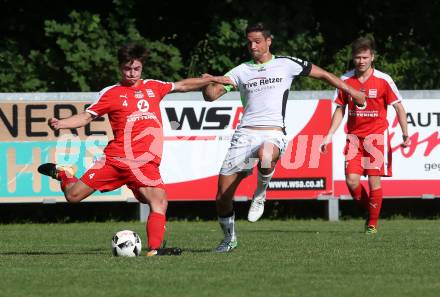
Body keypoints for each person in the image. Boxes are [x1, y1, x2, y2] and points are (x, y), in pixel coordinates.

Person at [37, 43, 233, 256]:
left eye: (136, 69)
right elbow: (86, 116)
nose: (132, 73)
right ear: (120, 67)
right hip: (115, 159)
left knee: (159, 200)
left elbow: (183, 85)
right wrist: (61, 123)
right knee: (73, 196)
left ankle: (155, 250)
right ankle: (65, 174)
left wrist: (213, 79)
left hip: (145, 164)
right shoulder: (110, 93)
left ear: (142, 68)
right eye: (127, 69)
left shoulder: (153, 87)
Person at [202, 22, 367, 252]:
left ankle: (260, 194)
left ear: (269, 41)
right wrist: (210, 82)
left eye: (257, 42)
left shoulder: (286, 64)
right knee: (222, 196)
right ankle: (229, 239)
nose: (253, 46)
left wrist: (353, 91)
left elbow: (325, 75)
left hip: (273, 133)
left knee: (266, 153)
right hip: (244, 136)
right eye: (249, 42)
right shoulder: (240, 71)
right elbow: (210, 96)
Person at [320, 36, 410, 234]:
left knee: (372, 180)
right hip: (353, 139)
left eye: (365, 57)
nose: (361, 61)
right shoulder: (345, 80)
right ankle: (371, 212)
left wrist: (405, 134)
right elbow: (339, 109)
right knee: (352, 181)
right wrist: (329, 135)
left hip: (376, 138)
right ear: (353, 58)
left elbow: (399, 108)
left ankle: (372, 224)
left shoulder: (384, 80)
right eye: (357, 57)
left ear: (372, 57)